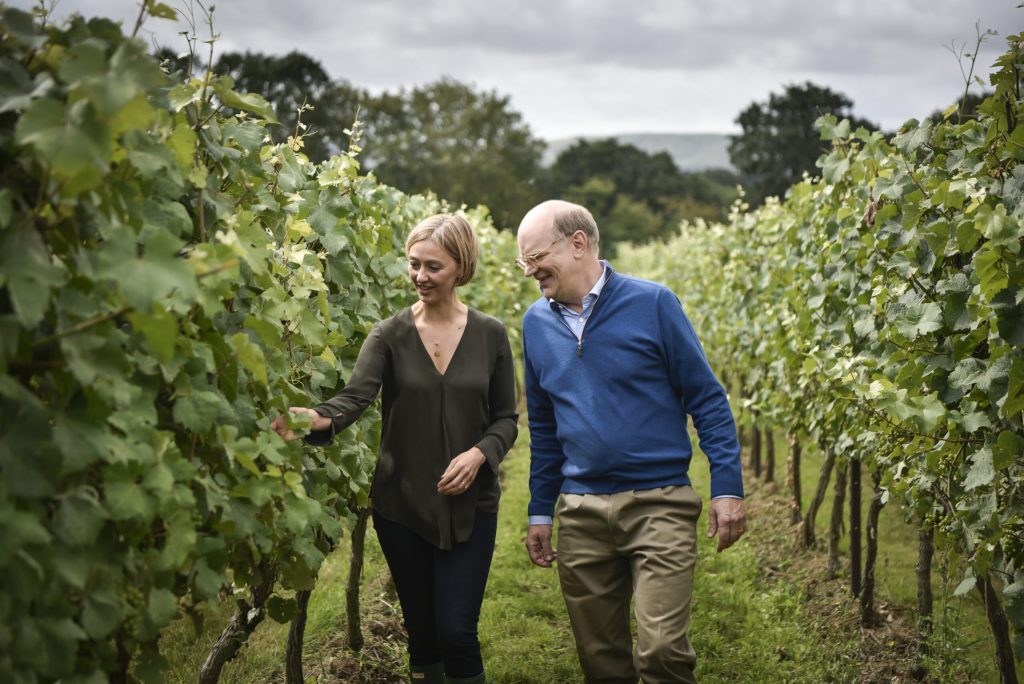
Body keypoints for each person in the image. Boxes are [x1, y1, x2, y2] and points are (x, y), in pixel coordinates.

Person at [272, 214, 518, 684]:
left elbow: (507, 417)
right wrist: (311, 418)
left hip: (472, 504)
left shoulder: (491, 335)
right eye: (413, 265)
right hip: (403, 506)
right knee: (423, 633)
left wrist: (479, 453)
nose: (420, 277)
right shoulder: (389, 334)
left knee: (457, 632)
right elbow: (353, 399)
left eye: (433, 267)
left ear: (461, 267)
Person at [516, 200, 746, 684]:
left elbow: (707, 399)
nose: (530, 270)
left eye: (536, 257)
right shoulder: (535, 323)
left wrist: (727, 489)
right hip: (581, 512)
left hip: (659, 502)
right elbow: (543, 426)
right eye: (523, 261)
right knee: (601, 659)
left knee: (662, 651)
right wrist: (541, 510)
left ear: (578, 243)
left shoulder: (654, 303)